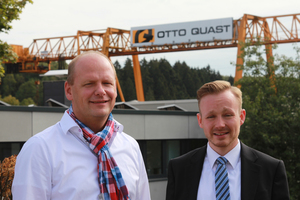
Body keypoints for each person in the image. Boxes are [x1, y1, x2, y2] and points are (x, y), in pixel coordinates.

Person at [12, 51, 151, 200]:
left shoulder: (131, 147)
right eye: (89, 84)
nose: (100, 91)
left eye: (107, 83)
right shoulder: (40, 149)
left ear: (115, 89)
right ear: (68, 90)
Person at [166, 80, 290, 200]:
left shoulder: (271, 170)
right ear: (200, 120)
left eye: (227, 115)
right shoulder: (179, 170)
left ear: (241, 117)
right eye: (211, 116)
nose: (220, 124)